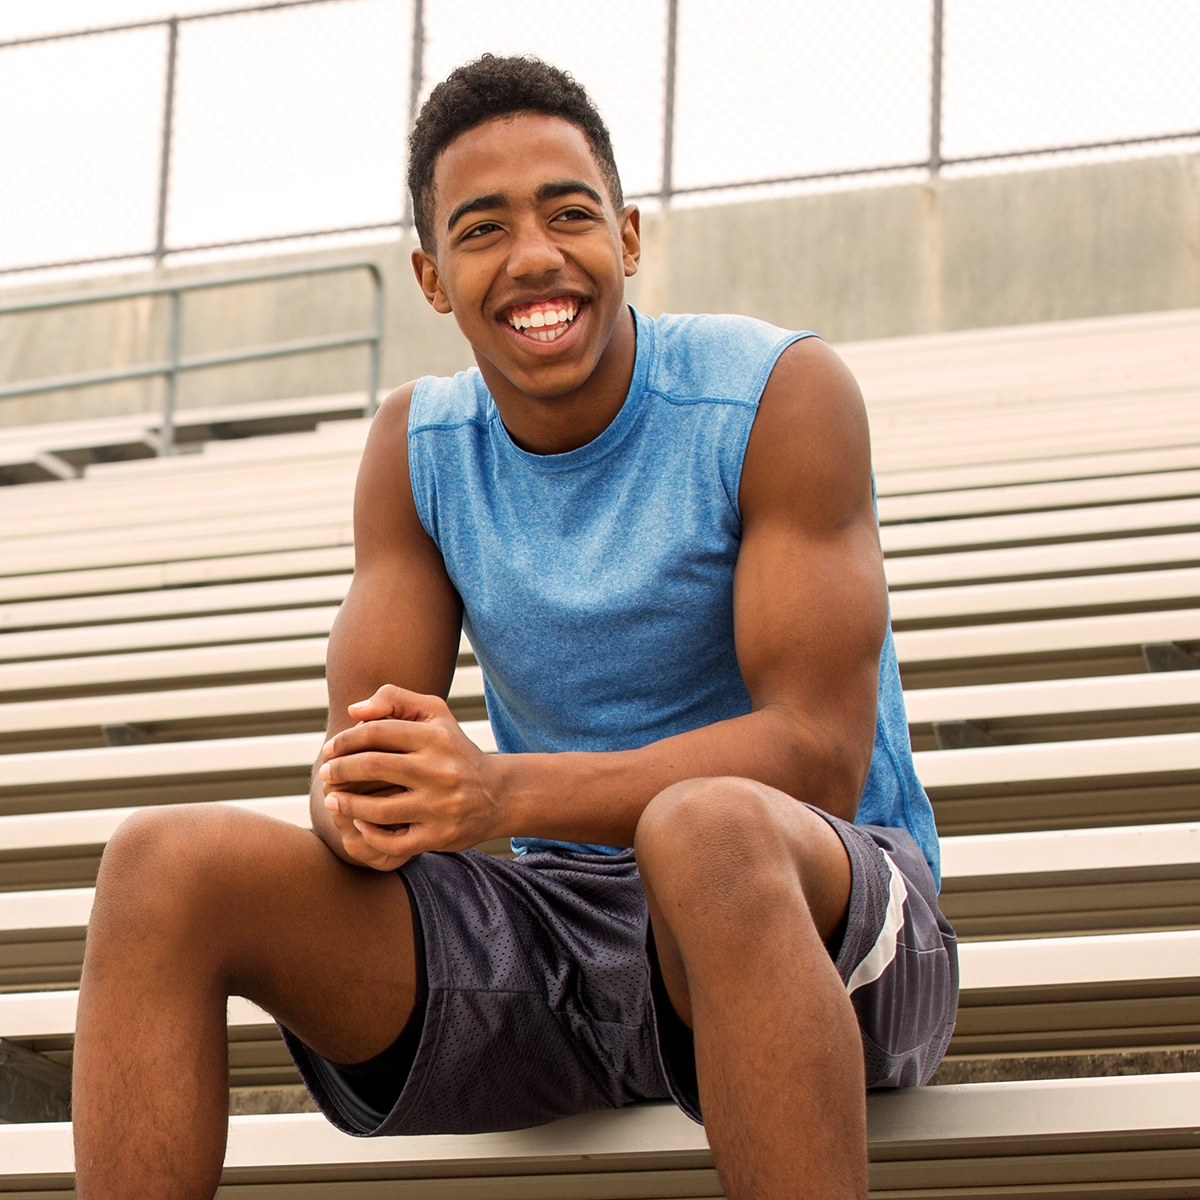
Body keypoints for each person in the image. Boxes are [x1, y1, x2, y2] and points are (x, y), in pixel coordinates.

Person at [73, 55, 957, 1200]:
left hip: (822, 917)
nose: (535, 254)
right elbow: (367, 780)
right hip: (565, 935)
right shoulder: (417, 447)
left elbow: (820, 758)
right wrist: (365, 804)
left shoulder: (777, 391)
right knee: (161, 867)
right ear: (434, 279)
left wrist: (495, 796)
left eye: (569, 213)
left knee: (706, 832)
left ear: (629, 238)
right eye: (483, 229)